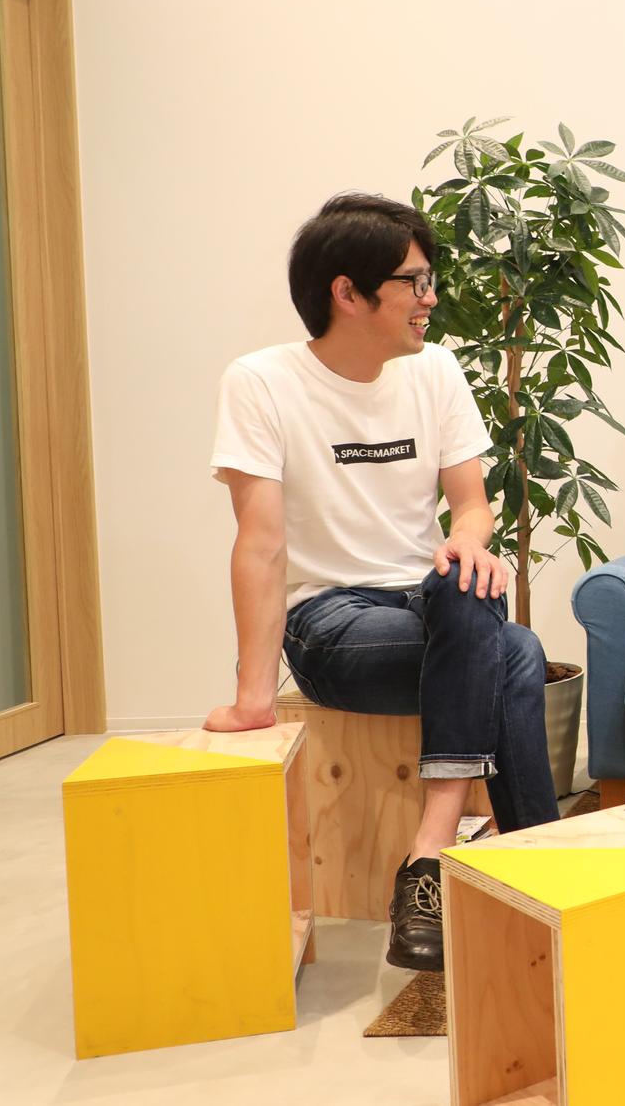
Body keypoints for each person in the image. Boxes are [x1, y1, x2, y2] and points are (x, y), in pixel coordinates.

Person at [207, 193, 557, 972]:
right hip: (332, 623)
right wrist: (254, 694)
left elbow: (471, 507)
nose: (431, 299)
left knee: (471, 585)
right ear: (348, 292)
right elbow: (260, 543)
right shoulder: (262, 381)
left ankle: (431, 856)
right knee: (517, 651)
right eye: (415, 281)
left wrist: (468, 542)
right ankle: (536, 867)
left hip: (430, 603)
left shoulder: (436, 370)